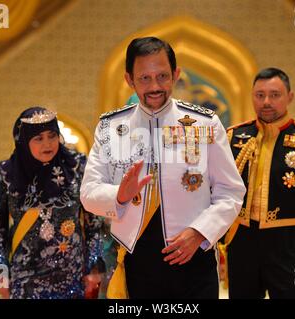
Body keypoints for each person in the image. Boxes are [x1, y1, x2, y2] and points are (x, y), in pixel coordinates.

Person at [80, 37, 245, 299]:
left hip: (194, 259)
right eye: (144, 78)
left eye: (162, 76)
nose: (155, 86)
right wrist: (119, 195)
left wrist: (200, 232)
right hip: (136, 263)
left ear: (176, 74)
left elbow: (231, 192)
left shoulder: (205, 124)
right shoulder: (111, 128)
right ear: (129, 79)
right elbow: (88, 193)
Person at [224, 67, 295, 299]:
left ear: (289, 97)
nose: (266, 102)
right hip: (241, 242)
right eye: (260, 95)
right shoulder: (233, 137)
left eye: (274, 95)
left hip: (289, 244)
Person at [0, 106, 105, 299]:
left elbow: (94, 224)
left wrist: (94, 265)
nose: (48, 144)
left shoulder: (77, 165)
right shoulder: (7, 173)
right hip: (25, 281)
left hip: (72, 279)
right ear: (24, 141)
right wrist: (0, 271)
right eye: (38, 138)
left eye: (52, 135)